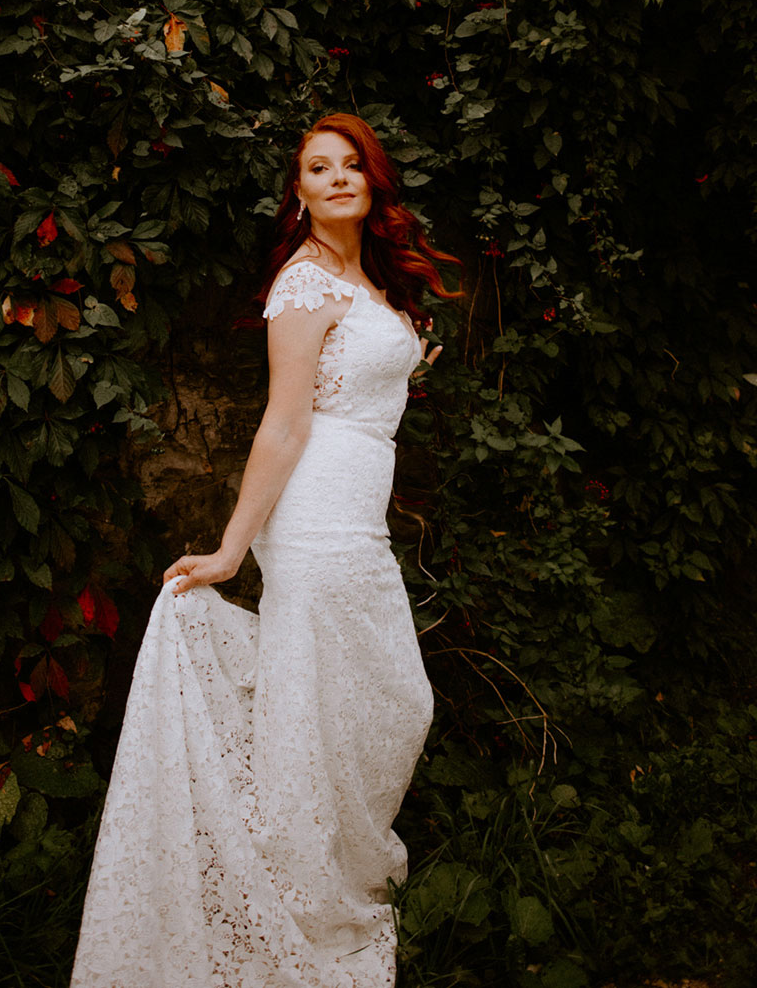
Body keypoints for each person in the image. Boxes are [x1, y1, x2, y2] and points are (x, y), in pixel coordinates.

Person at [69, 112, 462, 988]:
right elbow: (285, 424)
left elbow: (352, 381)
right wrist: (230, 552)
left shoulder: (361, 281)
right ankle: (291, 894)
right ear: (299, 194)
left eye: (350, 165)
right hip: (317, 518)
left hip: (360, 522)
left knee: (379, 700)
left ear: (373, 181)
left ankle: (317, 874)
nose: (336, 179)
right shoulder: (304, 283)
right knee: (345, 699)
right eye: (317, 169)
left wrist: (404, 361)